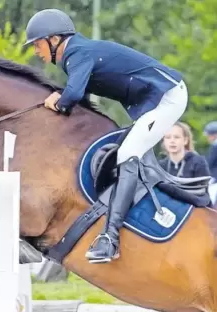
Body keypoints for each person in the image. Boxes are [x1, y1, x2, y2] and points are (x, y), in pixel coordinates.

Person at [24, 9, 188, 263]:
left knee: (127, 154)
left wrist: (57, 101)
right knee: (124, 152)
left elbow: (71, 97)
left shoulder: (77, 53)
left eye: (37, 44)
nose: (36, 51)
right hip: (154, 101)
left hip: (168, 98)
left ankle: (110, 239)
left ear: (54, 40)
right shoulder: (77, 55)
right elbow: (81, 104)